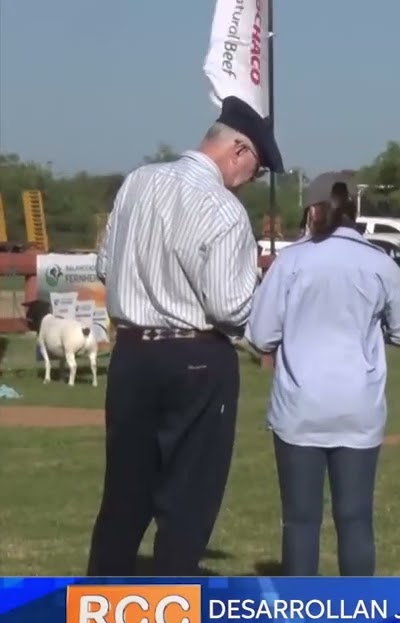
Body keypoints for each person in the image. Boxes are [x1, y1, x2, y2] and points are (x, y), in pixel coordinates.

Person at [87, 95, 283, 576]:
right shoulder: (224, 210)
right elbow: (228, 307)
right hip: (196, 356)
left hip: (132, 353)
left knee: (124, 498)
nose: (250, 180)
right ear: (238, 151)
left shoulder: (138, 182)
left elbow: (105, 266)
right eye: (254, 169)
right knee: (187, 503)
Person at [245, 172, 400, 576]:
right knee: (356, 519)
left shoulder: (291, 261)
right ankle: (356, 622)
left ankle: (300, 621)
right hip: (358, 405)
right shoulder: (378, 262)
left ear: (312, 210)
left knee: (300, 521)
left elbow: (260, 335)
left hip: (299, 407)